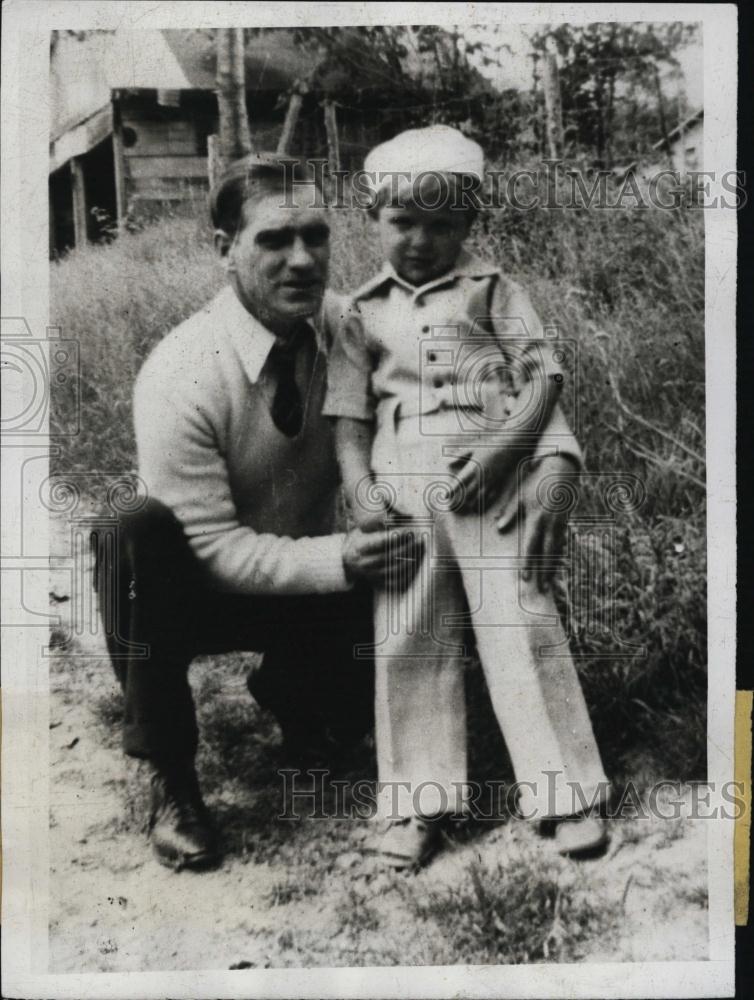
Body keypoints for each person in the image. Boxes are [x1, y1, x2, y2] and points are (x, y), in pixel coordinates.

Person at [93, 153, 421, 872]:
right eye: (274, 240)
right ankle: (172, 779)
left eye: (316, 235)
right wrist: (340, 559)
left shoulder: (349, 328)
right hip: (199, 592)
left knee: (402, 528)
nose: (302, 260)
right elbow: (209, 546)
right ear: (224, 251)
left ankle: (302, 703)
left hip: (311, 580)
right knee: (129, 532)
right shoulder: (183, 370)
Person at [323, 126, 610, 868]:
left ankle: (565, 792)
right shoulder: (359, 310)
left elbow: (542, 377)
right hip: (403, 496)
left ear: (469, 223)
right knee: (409, 636)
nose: (420, 240)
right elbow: (350, 421)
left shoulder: (493, 290)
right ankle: (417, 804)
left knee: (520, 620)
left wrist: (505, 450)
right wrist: (362, 494)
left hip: (492, 484)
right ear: (375, 219)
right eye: (402, 222)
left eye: (441, 224)